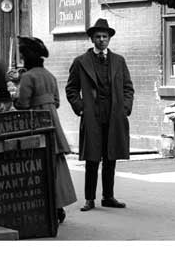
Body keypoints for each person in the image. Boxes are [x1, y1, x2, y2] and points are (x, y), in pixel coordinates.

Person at [65, 18, 134, 212]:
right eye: (98, 37)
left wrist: (125, 108)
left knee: (111, 157)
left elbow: (128, 87)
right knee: (92, 159)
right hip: (92, 116)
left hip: (113, 116)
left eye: (105, 36)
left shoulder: (119, 61)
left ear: (109, 39)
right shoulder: (81, 62)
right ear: (92, 39)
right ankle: (89, 199)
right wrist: (81, 108)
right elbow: (71, 89)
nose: (102, 40)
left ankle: (108, 196)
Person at [14, 36, 77, 224]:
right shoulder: (50, 75)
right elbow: (56, 103)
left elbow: (23, 104)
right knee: (56, 165)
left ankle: (40, 206)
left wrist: (14, 96)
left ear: (27, 57)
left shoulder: (27, 77)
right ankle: (59, 206)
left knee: (36, 165)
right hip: (52, 123)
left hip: (34, 124)